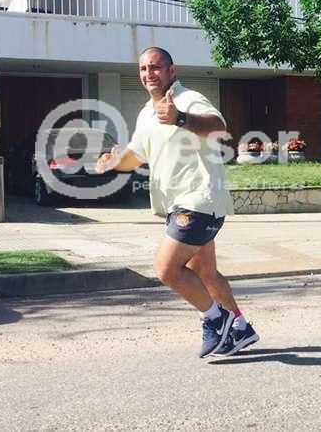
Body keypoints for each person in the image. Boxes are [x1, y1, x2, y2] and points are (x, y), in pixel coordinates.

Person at [95, 46, 259, 358]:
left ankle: (216, 320)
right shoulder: (146, 113)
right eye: (143, 69)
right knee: (206, 274)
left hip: (198, 199)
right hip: (178, 204)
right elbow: (134, 157)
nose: (149, 74)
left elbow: (219, 128)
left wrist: (180, 118)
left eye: (155, 67)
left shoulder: (188, 99)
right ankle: (240, 328)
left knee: (167, 268)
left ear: (172, 71)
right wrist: (113, 162)